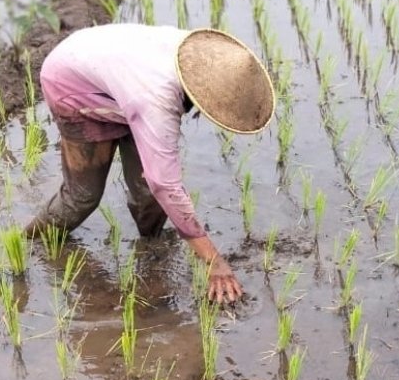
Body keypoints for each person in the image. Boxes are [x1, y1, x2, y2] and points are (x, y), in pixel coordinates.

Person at [24, 24, 275, 303]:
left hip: (119, 80)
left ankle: (152, 250)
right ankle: (26, 244)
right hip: (71, 82)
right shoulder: (156, 100)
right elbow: (165, 185)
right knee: (82, 196)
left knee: (147, 194)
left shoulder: (196, 55)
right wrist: (213, 261)